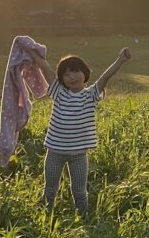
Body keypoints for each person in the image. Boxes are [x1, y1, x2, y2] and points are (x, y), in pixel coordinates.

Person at [24, 46, 132, 216]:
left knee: (80, 191)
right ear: (61, 79)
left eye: (75, 71)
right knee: (50, 189)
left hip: (79, 156)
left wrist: (121, 59)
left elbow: (106, 77)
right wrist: (30, 51)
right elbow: (46, 68)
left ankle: (84, 219)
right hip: (54, 153)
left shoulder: (91, 95)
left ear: (85, 72)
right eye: (66, 74)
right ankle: (44, 217)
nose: (71, 77)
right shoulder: (58, 92)